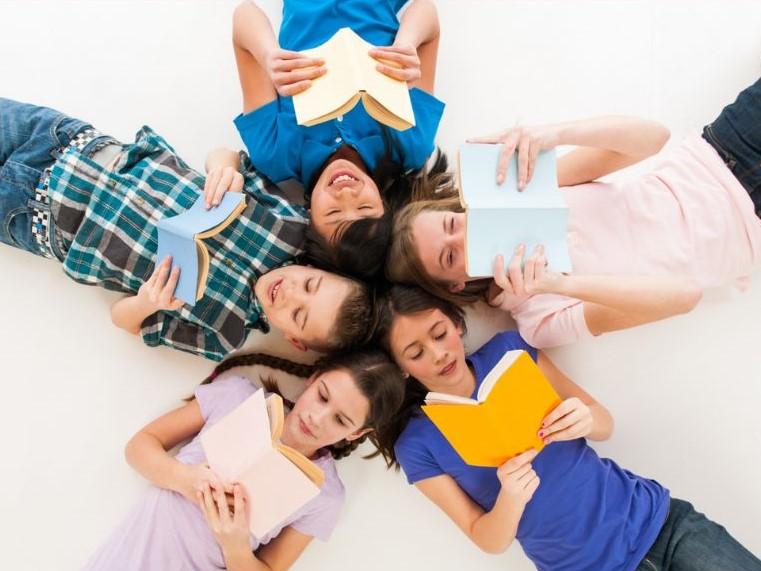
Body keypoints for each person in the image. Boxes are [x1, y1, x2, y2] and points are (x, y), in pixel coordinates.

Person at [372, 284, 761, 571]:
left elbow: (603, 422)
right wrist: (511, 496)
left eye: (439, 333)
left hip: (665, 529)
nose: (438, 354)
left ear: (456, 323)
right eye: (415, 353)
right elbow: (485, 538)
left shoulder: (511, 353)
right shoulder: (417, 445)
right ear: (402, 370)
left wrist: (583, 417)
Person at [35, 348, 405, 571]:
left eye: (341, 420)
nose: (318, 418)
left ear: (356, 434)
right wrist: (186, 479)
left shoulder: (324, 494)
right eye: (323, 396)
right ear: (313, 378)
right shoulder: (237, 399)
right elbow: (140, 446)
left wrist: (235, 543)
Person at [386, 77, 761, 348]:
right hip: (751, 227)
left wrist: (554, 135)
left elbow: (654, 138)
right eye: (451, 255)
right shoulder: (540, 319)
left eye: (453, 224)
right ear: (456, 283)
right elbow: (685, 296)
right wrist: (556, 283)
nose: (464, 236)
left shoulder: (524, 194)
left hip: (725, 146)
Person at [0, 98, 373, 360]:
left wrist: (148, 303)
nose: (291, 294)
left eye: (299, 315)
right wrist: (223, 170)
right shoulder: (289, 225)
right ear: (314, 269)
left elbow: (125, 321)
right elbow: (226, 155)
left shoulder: (222, 334)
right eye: (310, 285)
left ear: (295, 340)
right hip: (69, 144)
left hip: (38, 219)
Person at [232, 0, 446, 278]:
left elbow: (243, 16)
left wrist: (268, 55)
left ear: (309, 214)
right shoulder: (409, 143)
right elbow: (427, 14)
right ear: (384, 202)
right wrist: (406, 45)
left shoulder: (274, 153)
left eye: (333, 214)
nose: (346, 194)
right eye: (365, 207)